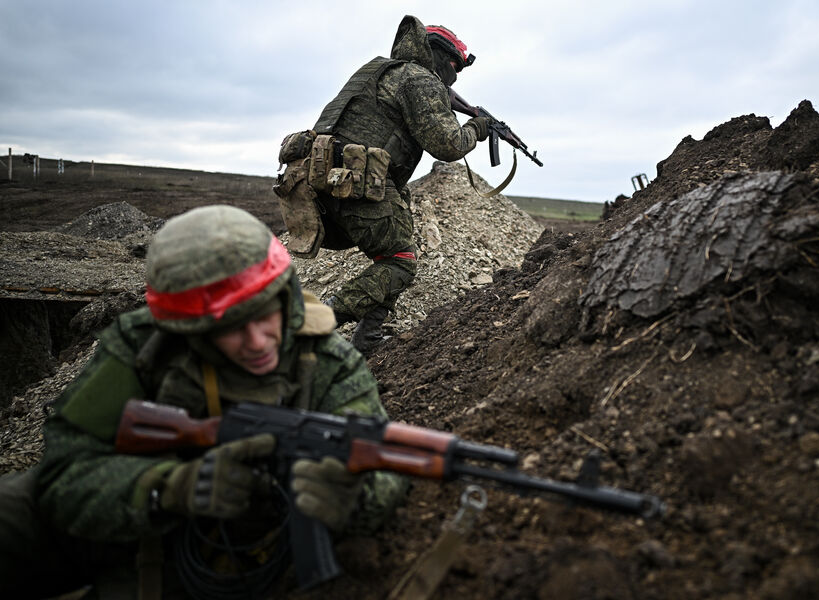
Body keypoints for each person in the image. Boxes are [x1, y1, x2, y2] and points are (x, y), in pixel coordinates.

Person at [0, 205, 407, 599]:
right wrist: (169, 488)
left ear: (286, 297)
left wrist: (354, 494)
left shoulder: (328, 364)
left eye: (265, 314)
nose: (256, 341)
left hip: (237, 549)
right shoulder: (145, 345)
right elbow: (66, 470)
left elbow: (386, 465)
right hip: (134, 523)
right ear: (188, 328)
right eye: (229, 327)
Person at [279, 15, 491, 354]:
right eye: (455, 66)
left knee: (394, 252)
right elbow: (449, 144)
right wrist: (478, 129)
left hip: (321, 178)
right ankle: (314, 322)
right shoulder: (420, 80)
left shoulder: (381, 69)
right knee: (401, 260)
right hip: (357, 181)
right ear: (441, 58)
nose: (455, 74)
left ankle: (368, 339)